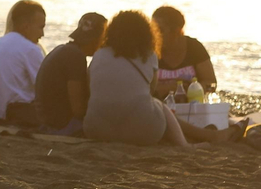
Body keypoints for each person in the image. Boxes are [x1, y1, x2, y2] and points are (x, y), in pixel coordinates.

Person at [84, 10, 202, 147]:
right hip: (143, 132)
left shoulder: (99, 54)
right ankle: (184, 144)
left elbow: (91, 87)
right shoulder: (149, 55)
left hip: (96, 130)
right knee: (159, 105)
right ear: (146, 33)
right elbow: (150, 91)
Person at [0, 0, 48, 126]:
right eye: (41, 27)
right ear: (26, 26)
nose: (42, 34)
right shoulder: (30, 49)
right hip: (16, 116)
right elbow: (46, 89)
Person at [34, 12, 108, 135]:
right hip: (60, 126)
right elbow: (78, 109)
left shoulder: (64, 49)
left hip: (46, 121)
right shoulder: (76, 57)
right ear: (97, 39)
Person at [150, 5, 218, 98]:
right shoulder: (150, 51)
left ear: (176, 31)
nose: (155, 35)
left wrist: (189, 88)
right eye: (152, 29)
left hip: (191, 106)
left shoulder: (194, 47)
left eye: (160, 30)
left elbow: (210, 84)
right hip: (159, 108)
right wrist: (169, 87)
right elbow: (141, 88)